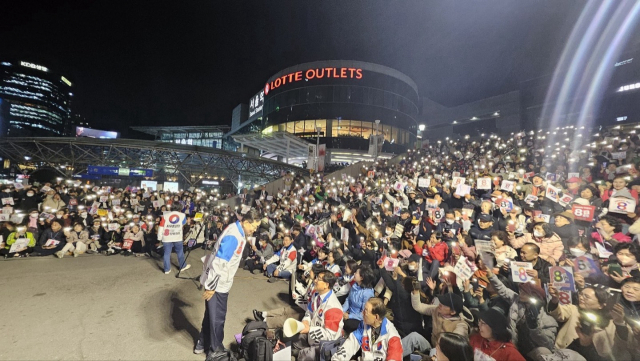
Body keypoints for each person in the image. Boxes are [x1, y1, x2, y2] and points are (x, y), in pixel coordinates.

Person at [196, 209, 260, 358]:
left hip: (217, 281)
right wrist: (211, 287)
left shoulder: (237, 230)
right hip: (218, 284)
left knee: (210, 316)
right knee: (217, 318)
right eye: (254, 226)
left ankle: (202, 343)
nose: (255, 230)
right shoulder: (234, 236)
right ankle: (215, 351)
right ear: (245, 222)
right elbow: (219, 263)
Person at [331, 297, 403, 361]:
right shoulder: (363, 325)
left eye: (366, 311)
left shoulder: (393, 337)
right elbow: (350, 343)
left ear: (376, 317)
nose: (362, 313)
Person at [293, 270, 343, 360]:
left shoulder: (334, 307)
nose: (315, 280)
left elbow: (329, 335)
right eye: (316, 278)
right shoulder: (317, 294)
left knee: (307, 355)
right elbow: (309, 311)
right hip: (313, 334)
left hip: (326, 343)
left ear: (326, 285)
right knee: (297, 337)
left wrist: (309, 329)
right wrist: (306, 321)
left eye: (319, 279)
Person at [342, 265, 375, 334]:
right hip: (349, 312)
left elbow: (364, 313)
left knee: (347, 324)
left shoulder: (367, 293)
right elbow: (348, 299)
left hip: (359, 318)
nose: (354, 274)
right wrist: (342, 310)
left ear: (362, 278)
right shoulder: (355, 285)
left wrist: (349, 316)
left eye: (356, 273)